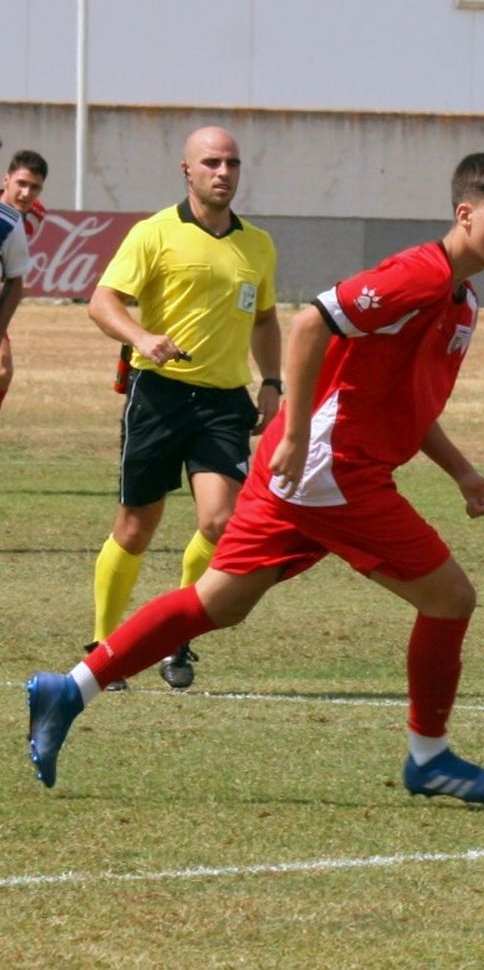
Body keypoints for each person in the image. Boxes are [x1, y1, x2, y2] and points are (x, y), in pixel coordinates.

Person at [26, 151, 484, 803]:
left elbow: (406, 406)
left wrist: (463, 471)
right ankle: (429, 755)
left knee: (220, 602)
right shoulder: (418, 274)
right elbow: (309, 323)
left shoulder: (461, 299)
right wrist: (297, 433)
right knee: (450, 598)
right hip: (331, 468)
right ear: (465, 213)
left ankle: (67, 689)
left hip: (315, 472)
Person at [86, 127, 281, 691]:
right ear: (187, 171)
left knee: (222, 522)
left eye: (233, 163)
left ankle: (177, 636)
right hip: (158, 395)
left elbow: (265, 318)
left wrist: (271, 380)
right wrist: (142, 337)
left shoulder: (258, 245)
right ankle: (104, 645)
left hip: (224, 400)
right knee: (135, 527)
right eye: (212, 162)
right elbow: (103, 302)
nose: (224, 172)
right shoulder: (154, 233)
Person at [0, 149, 49, 415]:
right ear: (6, 180)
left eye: (35, 187)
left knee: (3, 369)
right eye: (22, 184)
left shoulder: (24, 220)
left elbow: (14, 278)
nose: (27, 193)